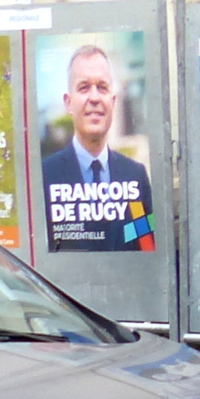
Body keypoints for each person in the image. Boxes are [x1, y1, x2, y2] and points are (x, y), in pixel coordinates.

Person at [37, 43, 154, 252]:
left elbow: (145, 244)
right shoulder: (45, 177)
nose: (94, 98)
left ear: (113, 100)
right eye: (83, 88)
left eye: (102, 87)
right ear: (68, 103)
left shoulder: (135, 176)